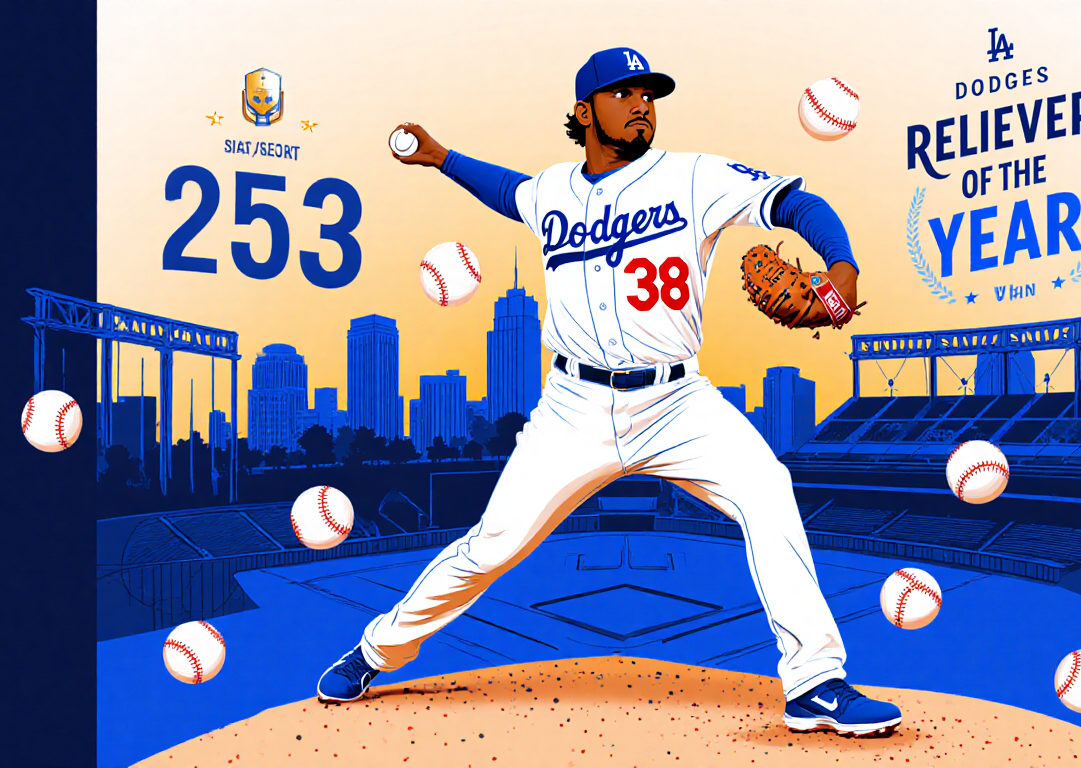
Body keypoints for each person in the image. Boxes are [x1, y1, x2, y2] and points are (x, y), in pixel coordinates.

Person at [317, 46, 902, 738]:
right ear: (584, 111)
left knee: (768, 489)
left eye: (648, 95)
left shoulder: (694, 177)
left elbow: (796, 201)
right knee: (491, 546)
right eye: (624, 93)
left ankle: (815, 683)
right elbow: (508, 191)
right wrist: (441, 156)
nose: (642, 105)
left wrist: (844, 270)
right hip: (573, 411)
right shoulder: (553, 191)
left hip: (679, 403)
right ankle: (377, 650)